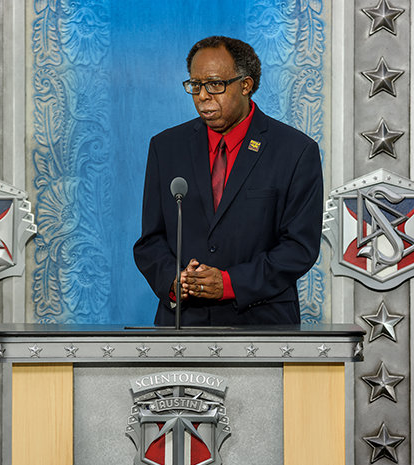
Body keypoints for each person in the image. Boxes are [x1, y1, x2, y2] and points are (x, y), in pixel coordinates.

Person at [133, 36, 323, 326]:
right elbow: (150, 240)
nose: (202, 96)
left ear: (245, 85)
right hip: (183, 324)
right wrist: (174, 280)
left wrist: (229, 283)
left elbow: (299, 247)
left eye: (214, 85)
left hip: (262, 323)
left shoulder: (295, 151)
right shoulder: (166, 147)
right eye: (195, 85)